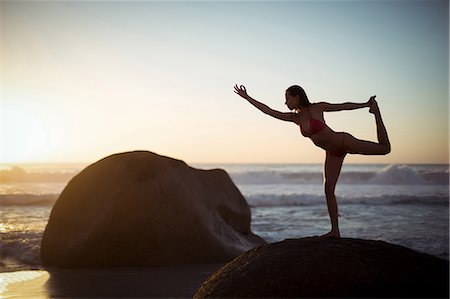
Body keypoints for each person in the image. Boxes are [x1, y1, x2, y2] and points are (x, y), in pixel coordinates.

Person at [234, 84, 391, 238]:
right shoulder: (295, 118)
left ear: (297, 97)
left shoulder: (317, 108)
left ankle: (376, 112)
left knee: (384, 149)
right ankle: (335, 231)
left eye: (287, 98)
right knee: (328, 189)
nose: (286, 102)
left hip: (343, 141)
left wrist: (365, 104)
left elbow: (342, 106)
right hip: (332, 153)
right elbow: (268, 111)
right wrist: (247, 97)